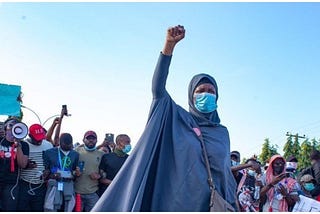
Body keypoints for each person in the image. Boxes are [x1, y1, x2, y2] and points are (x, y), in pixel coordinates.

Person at [92, 25, 237, 212]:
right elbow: (158, 91)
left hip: (213, 206)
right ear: (191, 96)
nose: (206, 95)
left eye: (211, 92)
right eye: (200, 91)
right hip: (176, 204)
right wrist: (168, 47)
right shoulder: (179, 120)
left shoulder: (222, 133)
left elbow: (224, 175)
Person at [16, 123, 53, 211]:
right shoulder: (23, 145)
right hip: (25, 184)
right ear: (30, 136)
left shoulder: (48, 145)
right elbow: (17, 164)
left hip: (41, 185)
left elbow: (51, 163)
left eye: (41, 138)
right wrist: (26, 165)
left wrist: (48, 171)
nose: (40, 141)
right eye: (37, 139)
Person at [43, 133, 80, 212]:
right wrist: (51, 175)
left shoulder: (75, 154)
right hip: (54, 184)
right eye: (65, 144)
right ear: (59, 142)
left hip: (68, 185)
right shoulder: (49, 152)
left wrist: (76, 174)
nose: (68, 146)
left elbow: (75, 171)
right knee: (51, 207)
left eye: (69, 144)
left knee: (68, 208)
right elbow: (45, 170)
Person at [0, 118, 26, 211]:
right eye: (11, 125)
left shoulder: (24, 145)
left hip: (12, 184)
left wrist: (18, 145)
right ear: (5, 128)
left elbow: (22, 164)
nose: (13, 127)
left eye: (16, 125)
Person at [74, 130, 104, 211]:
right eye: (88, 138)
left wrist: (99, 176)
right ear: (83, 140)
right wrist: (75, 173)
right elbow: (69, 167)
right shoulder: (76, 152)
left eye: (93, 138)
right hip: (77, 192)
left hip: (93, 193)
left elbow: (104, 172)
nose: (91, 140)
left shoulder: (101, 154)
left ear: (96, 140)